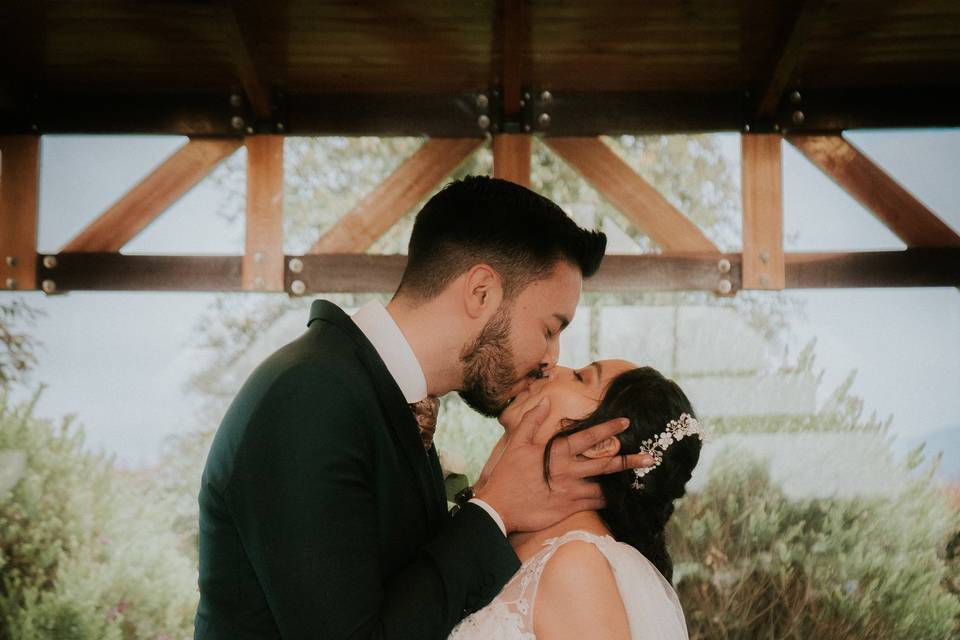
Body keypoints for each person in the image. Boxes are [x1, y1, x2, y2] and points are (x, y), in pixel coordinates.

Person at [194, 176, 654, 639]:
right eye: (550, 329)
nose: (551, 359)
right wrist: (493, 511)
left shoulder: (388, 400)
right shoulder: (310, 395)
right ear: (481, 292)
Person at [449, 361, 703, 640]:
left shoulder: (577, 567)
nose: (551, 367)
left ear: (600, 445)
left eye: (580, 377)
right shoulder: (507, 530)